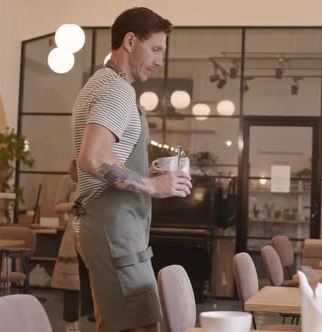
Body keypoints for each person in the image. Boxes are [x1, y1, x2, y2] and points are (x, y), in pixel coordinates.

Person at [72, 7, 192, 332]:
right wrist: (152, 187)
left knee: (114, 323)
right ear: (129, 41)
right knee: (140, 325)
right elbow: (93, 159)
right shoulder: (117, 90)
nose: (159, 60)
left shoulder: (100, 83)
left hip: (106, 227)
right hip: (115, 231)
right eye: (155, 49)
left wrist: (146, 177)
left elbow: (94, 160)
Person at [51, 160, 93, 332]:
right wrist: (73, 205)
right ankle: (70, 324)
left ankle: (93, 321)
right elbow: (56, 207)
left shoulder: (96, 180)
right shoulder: (68, 181)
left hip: (93, 234)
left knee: (94, 283)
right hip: (73, 233)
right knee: (72, 284)